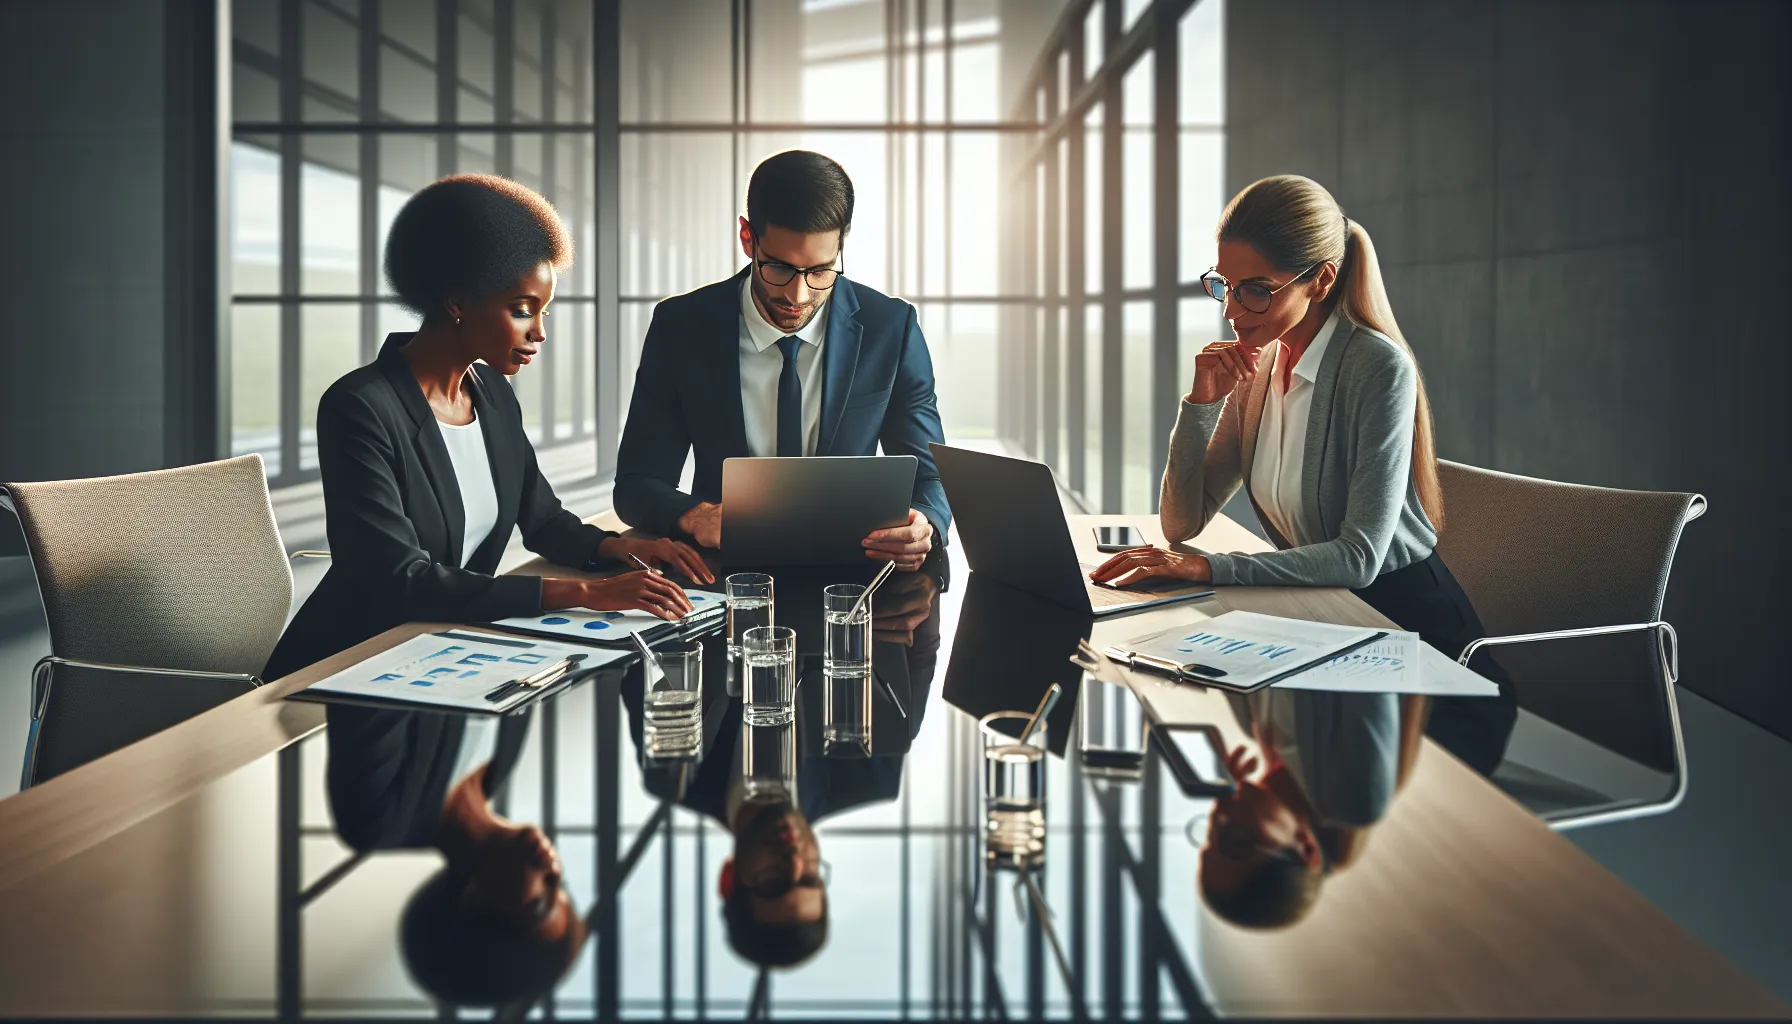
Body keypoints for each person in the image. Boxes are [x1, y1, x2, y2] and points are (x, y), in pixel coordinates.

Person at [1088, 174, 1515, 773]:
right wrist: (1200, 406)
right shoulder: (1261, 367)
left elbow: (1360, 556)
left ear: (1321, 280)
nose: (1234, 312)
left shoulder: (1376, 368)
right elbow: (1180, 523)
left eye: (1256, 291)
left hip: (1418, 655)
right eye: (1226, 288)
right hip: (1325, 626)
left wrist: (1210, 567)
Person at [264, 174, 707, 683]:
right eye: (523, 311)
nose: (539, 332)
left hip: (444, 652)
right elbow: (398, 581)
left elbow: (542, 521)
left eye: (543, 311)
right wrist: (587, 594)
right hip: (350, 661)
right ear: (457, 302)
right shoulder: (359, 407)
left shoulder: (492, 393)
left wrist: (623, 551)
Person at [613, 150, 950, 572]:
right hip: (725, 576)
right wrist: (692, 515)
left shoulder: (891, 329)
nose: (799, 296)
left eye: (821, 271)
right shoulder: (681, 327)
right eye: (779, 269)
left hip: (856, 578)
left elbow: (931, 476)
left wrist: (926, 525)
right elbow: (636, 484)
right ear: (747, 238)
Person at [325, 704, 587, 1008]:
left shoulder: (378, 821)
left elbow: (365, 679)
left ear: (475, 904)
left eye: (540, 901)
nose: (554, 871)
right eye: (561, 886)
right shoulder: (504, 760)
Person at [1198, 691, 1425, 929]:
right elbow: (1379, 660)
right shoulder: (1355, 796)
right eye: (1237, 841)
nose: (1220, 817)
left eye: (1211, 834)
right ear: (1306, 846)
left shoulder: (1251, 723)